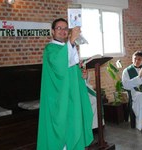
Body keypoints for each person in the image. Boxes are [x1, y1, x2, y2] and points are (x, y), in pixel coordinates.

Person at [37, 18, 93, 150]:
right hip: (58, 100)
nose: (63, 31)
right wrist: (72, 41)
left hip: (71, 98)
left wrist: (83, 77)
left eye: (65, 28)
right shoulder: (50, 49)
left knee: (73, 126)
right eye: (59, 28)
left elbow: (72, 73)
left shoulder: (69, 48)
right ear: (52, 31)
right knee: (62, 130)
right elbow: (59, 65)